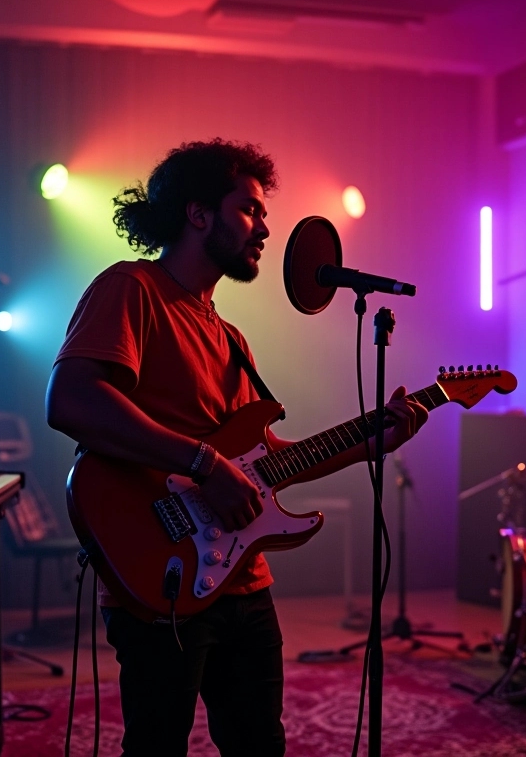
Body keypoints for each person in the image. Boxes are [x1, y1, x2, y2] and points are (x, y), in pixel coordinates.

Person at [45, 138, 428, 757]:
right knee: (157, 746)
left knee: (258, 745)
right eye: (249, 209)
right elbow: (71, 402)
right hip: (160, 574)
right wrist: (203, 464)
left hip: (243, 582)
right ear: (198, 214)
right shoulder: (132, 289)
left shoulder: (231, 338)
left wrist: (369, 442)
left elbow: (264, 466)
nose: (265, 227)